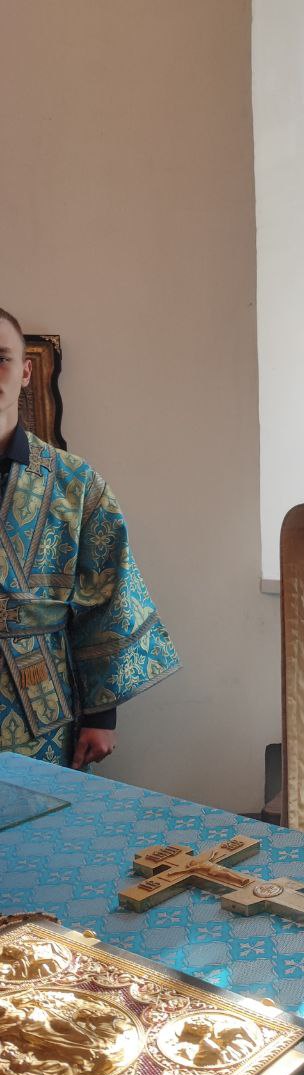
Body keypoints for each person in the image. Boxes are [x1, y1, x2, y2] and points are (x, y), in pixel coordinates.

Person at [0, 308, 179, 770]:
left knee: (37, 813)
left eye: (0, 358)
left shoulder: (75, 482)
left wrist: (101, 716)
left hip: (36, 699)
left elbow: (108, 594)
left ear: (25, 371)